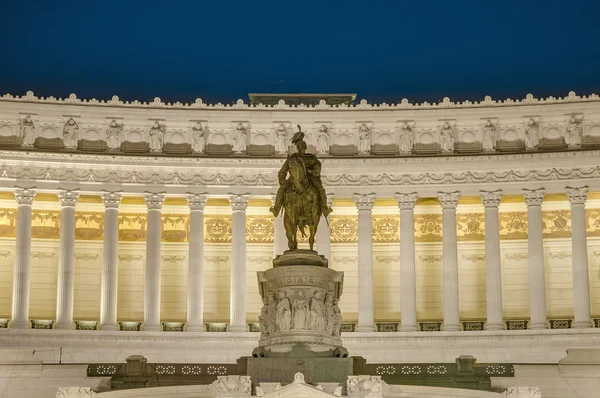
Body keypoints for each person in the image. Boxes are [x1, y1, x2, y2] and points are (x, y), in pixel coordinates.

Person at [270, 138, 332, 218]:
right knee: (281, 189)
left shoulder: (312, 158)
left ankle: (324, 208)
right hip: (293, 179)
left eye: (302, 147)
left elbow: (317, 171)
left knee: (320, 189)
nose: (301, 148)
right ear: (297, 148)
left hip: (310, 179)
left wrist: (310, 172)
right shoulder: (291, 159)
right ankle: (276, 208)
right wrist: (282, 181)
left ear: (305, 148)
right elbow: (282, 171)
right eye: (299, 147)